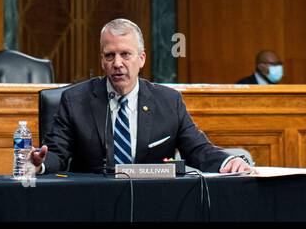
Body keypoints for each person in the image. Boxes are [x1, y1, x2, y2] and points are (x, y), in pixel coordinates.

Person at [29, 18, 254, 174]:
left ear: (142, 59)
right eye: (109, 56)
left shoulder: (168, 102)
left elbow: (197, 150)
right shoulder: (75, 100)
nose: (117, 63)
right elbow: (57, 153)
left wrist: (229, 160)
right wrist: (39, 164)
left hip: (154, 204)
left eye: (125, 54)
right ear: (102, 61)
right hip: (93, 203)